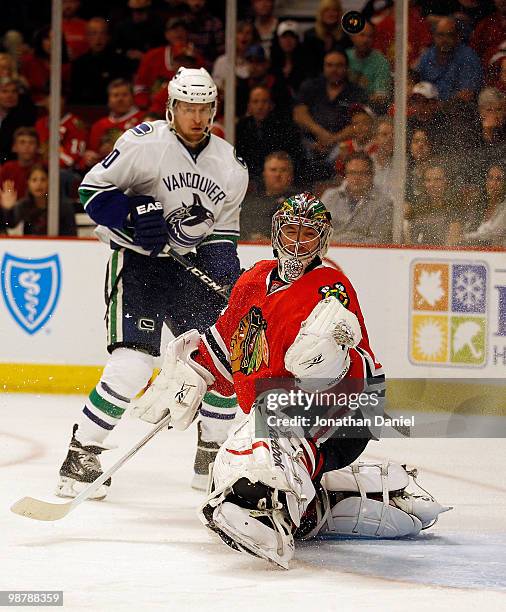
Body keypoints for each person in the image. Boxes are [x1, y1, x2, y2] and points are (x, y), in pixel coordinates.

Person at [131, 193, 449, 568]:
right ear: (276, 232)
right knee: (233, 469)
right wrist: (189, 374)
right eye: (291, 230)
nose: (298, 243)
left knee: (255, 446)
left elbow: (360, 364)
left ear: (322, 240)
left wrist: (336, 353)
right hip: (278, 413)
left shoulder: (331, 286)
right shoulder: (252, 280)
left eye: (308, 234)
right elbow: (224, 344)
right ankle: (319, 505)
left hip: (343, 414)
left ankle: (271, 519)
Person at [55, 67, 248, 499]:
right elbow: (91, 190)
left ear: (213, 109)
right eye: (187, 109)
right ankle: (81, 455)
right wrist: (131, 212)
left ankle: (211, 457)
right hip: (139, 264)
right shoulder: (143, 144)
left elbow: (222, 232)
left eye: (204, 109)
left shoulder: (230, 166)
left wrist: (224, 274)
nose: (196, 118)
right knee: (134, 364)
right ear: (171, 108)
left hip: (189, 268)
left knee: (222, 358)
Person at [321, 152, 393, 244]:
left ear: (372, 175)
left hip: (365, 255)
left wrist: (342, 243)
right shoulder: (330, 196)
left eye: (362, 173)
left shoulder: (384, 203)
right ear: (345, 174)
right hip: (330, 251)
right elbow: (317, 231)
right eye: (352, 173)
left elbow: (379, 240)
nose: (356, 178)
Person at [0, 164, 77, 236]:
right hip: (30, 247)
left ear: (49, 182)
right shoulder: (24, 205)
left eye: (43, 180)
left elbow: (71, 234)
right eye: (34, 180)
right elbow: (10, 224)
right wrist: (8, 209)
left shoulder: (63, 206)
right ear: (28, 183)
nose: (39, 184)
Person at [240, 151, 297, 240]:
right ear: (264, 174)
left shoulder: (301, 203)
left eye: (283, 170)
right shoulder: (250, 203)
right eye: (273, 170)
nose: (278, 174)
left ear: (291, 175)